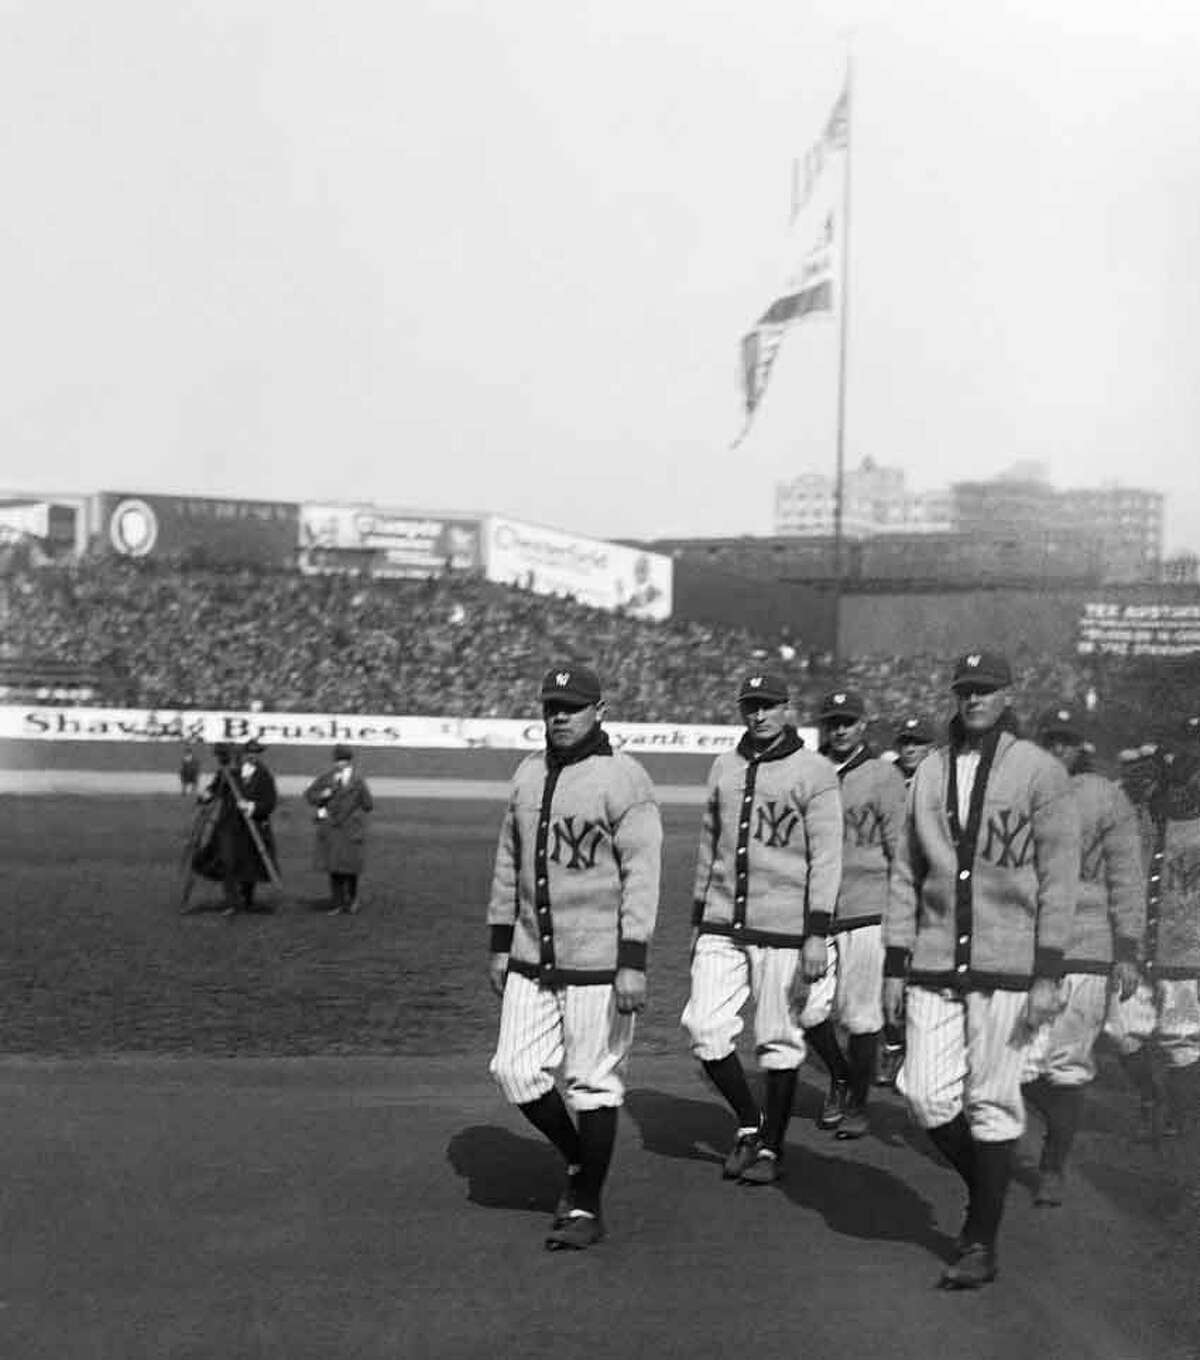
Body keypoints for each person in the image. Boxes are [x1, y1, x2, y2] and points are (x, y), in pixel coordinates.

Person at [883, 649, 1079, 1290]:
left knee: (992, 1102)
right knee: (924, 1093)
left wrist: (1049, 970)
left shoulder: (1039, 771)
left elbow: (1057, 878)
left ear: (1006, 695)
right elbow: (906, 873)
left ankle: (981, 1240)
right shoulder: (931, 770)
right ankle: (985, 1187)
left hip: (1010, 961)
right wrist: (894, 960)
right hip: (936, 957)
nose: (974, 700)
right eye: (965, 690)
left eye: (986, 690)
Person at [487, 664, 662, 1251]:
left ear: (599, 711)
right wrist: (498, 942)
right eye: (551, 707)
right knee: (514, 1069)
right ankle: (579, 1162)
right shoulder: (527, 773)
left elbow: (642, 875)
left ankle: (586, 1206)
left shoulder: (624, 778)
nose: (559, 716)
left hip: (600, 961)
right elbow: (509, 862)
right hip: (532, 953)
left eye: (572, 706)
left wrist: (633, 958)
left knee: (593, 1082)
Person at [683, 671, 842, 1184]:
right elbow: (709, 846)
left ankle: (771, 1148)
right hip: (723, 919)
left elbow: (827, 857)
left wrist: (817, 931)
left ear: (786, 708)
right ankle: (749, 1124)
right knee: (704, 1028)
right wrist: (697, 916)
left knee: (779, 1037)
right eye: (751, 705)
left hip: (787, 927)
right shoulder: (724, 767)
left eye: (769, 705)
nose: (759, 714)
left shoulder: (815, 771)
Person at [1021, 705, 1143, 1205]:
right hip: (1024, 946)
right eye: (1049, 739)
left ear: (1082, 747)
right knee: (1009, 1062)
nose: (1057, 750)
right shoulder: (1023, 790)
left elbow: (1126, 877)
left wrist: (1128, 950)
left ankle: (1053, 1165)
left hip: (1087, 946)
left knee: (1066, 1065)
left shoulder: (1107, 797)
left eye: (1066, 742)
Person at [1105, 718, 1200, 1137]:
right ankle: (1152, 1095)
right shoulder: (1139, 815)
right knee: (1120, 1029)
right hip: (1137, 945)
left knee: (1182, 1039)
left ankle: (1179, 1119)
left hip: (1186, 948)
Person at [877, 714, 937, 1088]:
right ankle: (894, 1044)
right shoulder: (887, 779)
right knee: (889, 970)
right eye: (905, 742)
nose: (910, 748)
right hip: (889, 888)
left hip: (932, 892)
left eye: (918, 742)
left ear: (931, 747)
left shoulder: (942, 780)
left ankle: (920, 1047)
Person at [193, 738, 280, 915]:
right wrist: (205, 795)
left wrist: (252, 807)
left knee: (249, 865)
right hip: (228, 825)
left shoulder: (265, 776)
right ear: (244, 753)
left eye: (256, 753)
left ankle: (247, 899)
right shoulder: (229, 773)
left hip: (252, 828)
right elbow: (214, 789)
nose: (252, 756)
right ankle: (231, 902)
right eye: (250, 753)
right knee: (228, 862)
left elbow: (270, 802)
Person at [305, 745, 374, 915]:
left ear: (350, 762)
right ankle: (337, 902)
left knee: (350, 868)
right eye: (338, 760)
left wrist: (357, 812)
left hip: (350, 829)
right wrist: (323, 795)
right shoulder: (327, 778)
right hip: (332, 829)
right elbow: (309, 795)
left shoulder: (358, 781)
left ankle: (352, 900)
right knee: (334, 867)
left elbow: (368, 804)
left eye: (343, 761)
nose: (340, 764)